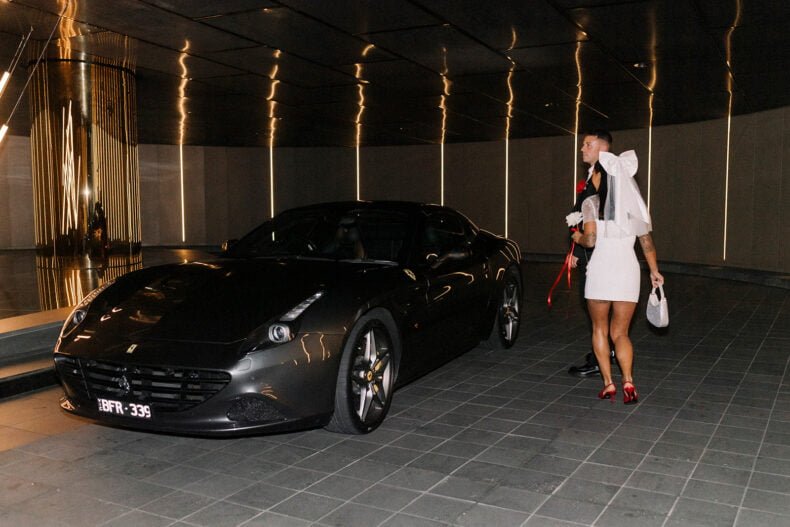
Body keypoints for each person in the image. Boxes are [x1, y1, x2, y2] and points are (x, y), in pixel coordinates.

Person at [571, 145, 663, 404]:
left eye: (596, 173)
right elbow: (646, 243)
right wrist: (654, 271)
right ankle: (629, 381)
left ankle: (608, 384)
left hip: (601, 270)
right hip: (627, 271)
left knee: (599, 329)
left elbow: (590, 240)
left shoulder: (591, 203)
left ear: (601, 177)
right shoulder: (634, 207)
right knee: (621, 333)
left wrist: (577, 236)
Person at [568, 131, 615, 378]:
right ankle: (607, 351)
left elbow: (598, 217)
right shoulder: (602, 173)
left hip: (596, 251)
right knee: (603, 308)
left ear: (602, 148)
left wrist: (578, 245)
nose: (582, 149)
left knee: (596, 308)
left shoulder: (602, 175)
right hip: (604, 249)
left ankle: (599, 359)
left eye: (588, 144)